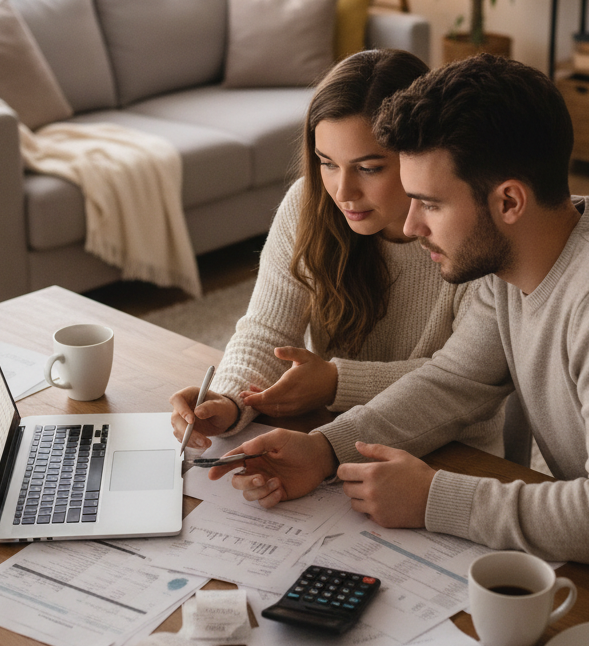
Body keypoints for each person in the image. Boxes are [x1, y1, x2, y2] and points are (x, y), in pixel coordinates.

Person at [212, 56, 589, 570]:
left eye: (430, 204)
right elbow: (450, 383)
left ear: (509, 201)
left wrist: (432, 498)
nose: (412, 227)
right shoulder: (509, 266)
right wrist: (324, 450)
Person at [170, 49, 501, 455]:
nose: (343, 193)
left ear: (420, 153)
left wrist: (334, 383)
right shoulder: (308, 205)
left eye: (368, 168)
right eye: (327, 163)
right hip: (333, 436)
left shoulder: (472, 232)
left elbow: (463, 382)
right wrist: (228, 398)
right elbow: (267, 332)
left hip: (453, 453)